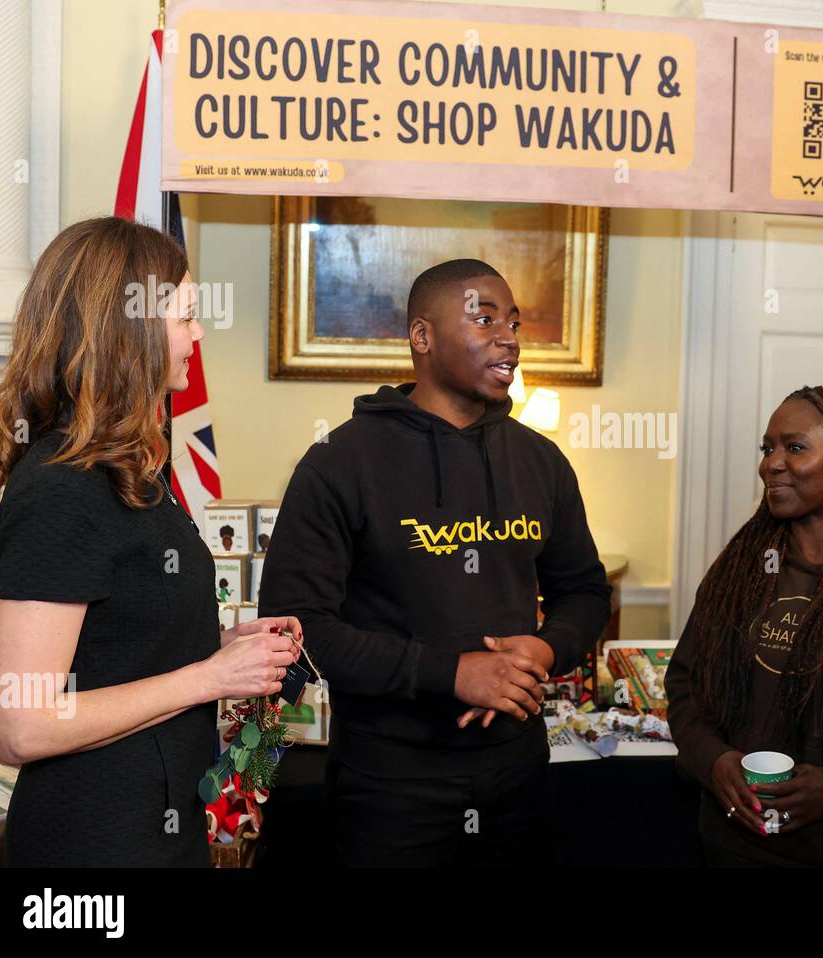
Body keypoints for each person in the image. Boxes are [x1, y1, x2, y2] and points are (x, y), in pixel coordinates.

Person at [259, 258, 611, 867]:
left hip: (518, 772)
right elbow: (296, 627)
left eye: (515, 323)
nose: (509, 337)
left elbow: (584, 591)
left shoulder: (541, 462)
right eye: (484, 318)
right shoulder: (340, 463)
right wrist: (449, 672)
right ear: (422, 338)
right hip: (389, 783)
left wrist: (546, 649)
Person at [0, 216, 304, 867]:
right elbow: (20, 725)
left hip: (158, 824)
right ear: (126, 330)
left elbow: (118, 649)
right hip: (93, 842)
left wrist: (222, 652)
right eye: (186, 316)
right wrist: (206, 677)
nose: (199, 333)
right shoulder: (58, 488)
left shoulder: (133, 472)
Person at [666, 387, 823, 867]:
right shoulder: (742, 564)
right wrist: (715, 762)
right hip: (729, 841)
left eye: (795, 447)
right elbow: (684, 687)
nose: (771, 464)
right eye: (767, 448)